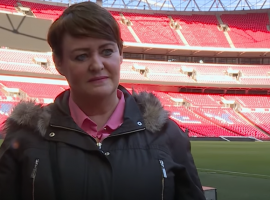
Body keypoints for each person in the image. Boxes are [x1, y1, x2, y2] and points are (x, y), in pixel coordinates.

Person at [0, 2, 205, 200]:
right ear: (59, 63)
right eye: (81, 56)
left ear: (121, 54)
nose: (97, 65)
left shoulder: (168, 137)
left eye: (107, 51)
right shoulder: (25, 138)